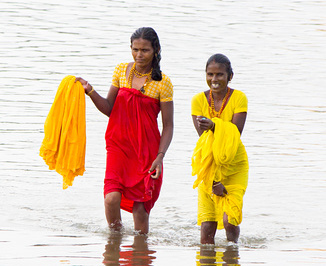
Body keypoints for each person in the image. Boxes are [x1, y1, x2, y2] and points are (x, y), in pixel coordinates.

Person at [76, 27, 174, 234]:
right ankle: (114, 242)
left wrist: (160, 156)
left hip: (146, 151)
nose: (139, 55)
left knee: (140, 208)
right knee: (111, 198)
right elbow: (109, 108)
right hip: (118, 144)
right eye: (135, 49)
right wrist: (90, 91)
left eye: (145, 50)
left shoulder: (163, 83)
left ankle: (141, 256)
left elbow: (168, 125)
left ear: (155, 50)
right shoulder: (121, 70)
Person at [191, 53, 248, 244]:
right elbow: (205, 140)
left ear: (229, 76)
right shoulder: (198, 100)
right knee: (207, 226)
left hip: (234, 164)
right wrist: (214, 180)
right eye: (210, 74)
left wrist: (215, 126)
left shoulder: (239, 98)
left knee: (229, 220)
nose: (214, 80)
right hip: (208, 163)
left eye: (219, 75)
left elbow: (235, 134)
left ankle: (233, 251)